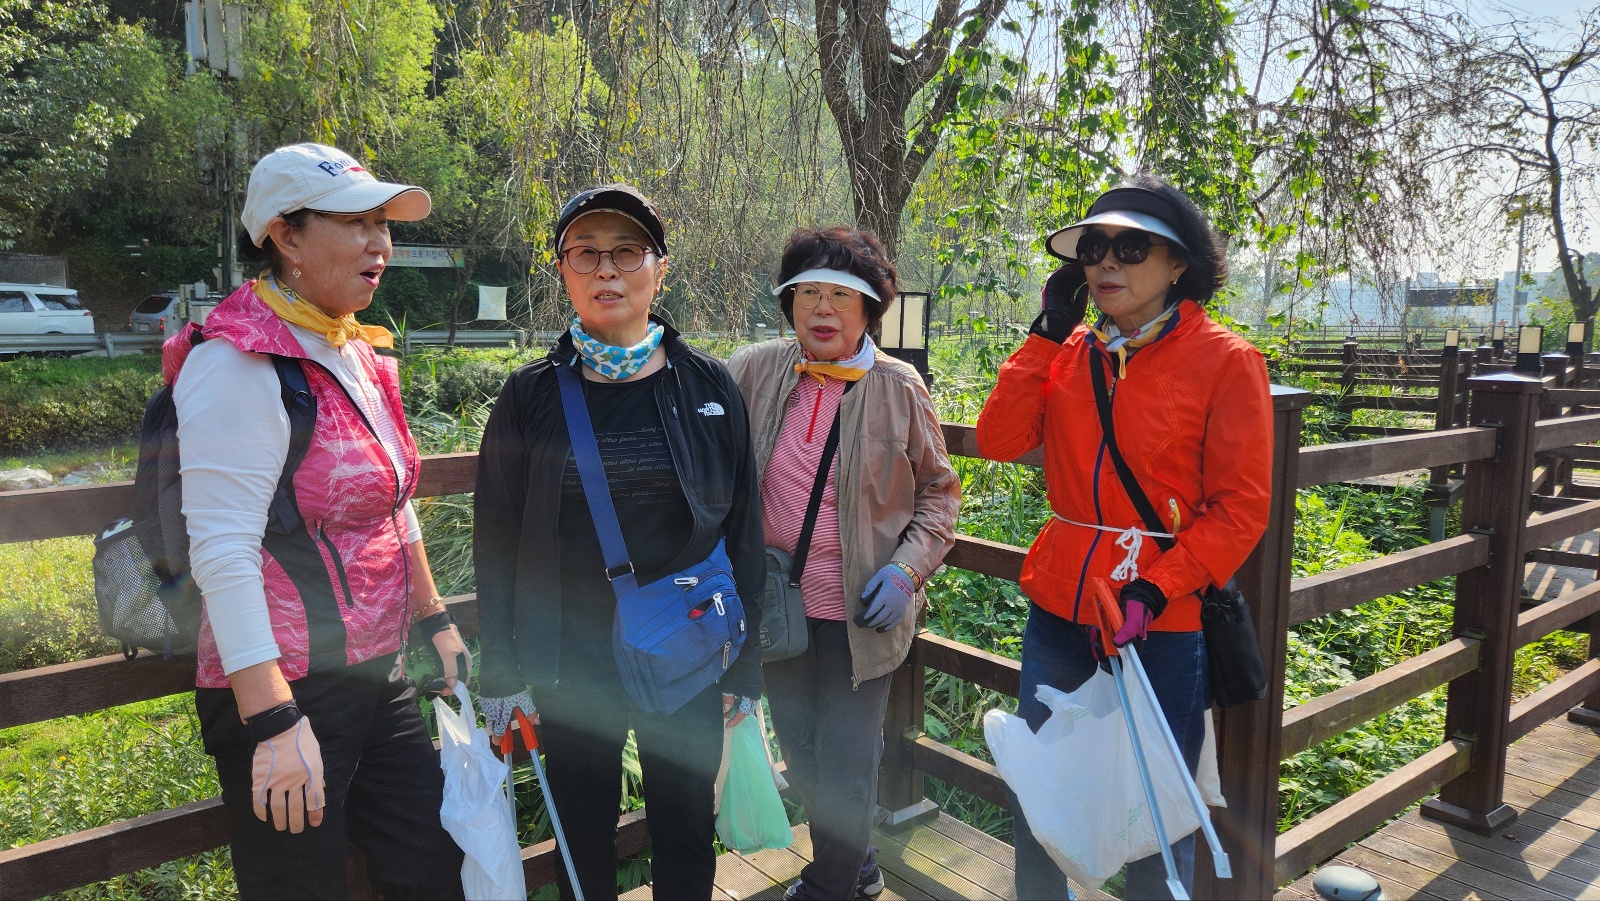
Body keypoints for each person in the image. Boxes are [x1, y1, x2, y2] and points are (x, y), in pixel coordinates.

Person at [173, 142, 470, 899]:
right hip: (285, 683)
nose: (381, 244)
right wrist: (273, 720)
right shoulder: (236, 361)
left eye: (383, 224)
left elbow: (392, 502)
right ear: (286, 236)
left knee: (431, 866)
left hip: (376, 669)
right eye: (356, 222)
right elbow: (223, 549)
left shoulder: (352, 349)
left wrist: (433, 616)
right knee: (299, 887)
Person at [976, 174, 1273, 900]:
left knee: (1158, 802)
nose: (1106, 262)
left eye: (1131, 248)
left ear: (1178, 264)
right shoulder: (1069, 351)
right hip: (1061, 607)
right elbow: (998, 439)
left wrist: (1156, 588)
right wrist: (1045, 333)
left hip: (1159, 620)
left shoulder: (1226, 360)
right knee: (1042, 785)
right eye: (1094, 248)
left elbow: (1240, 507)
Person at [473, 184, 765, 901]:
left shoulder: (709, 386)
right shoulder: (530, 396)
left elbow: (743, 531)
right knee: (581, 831)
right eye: (586, 253)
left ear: (659, 270)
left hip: (687, 644)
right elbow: (497, 536)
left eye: (627, 252)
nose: (606, 270)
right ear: (564, 271)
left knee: (686, 824)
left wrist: (746, 666)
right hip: (571, 654)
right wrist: (503, 667)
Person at [727, 226, 960, 901]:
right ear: (789, 303)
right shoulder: (754, 369)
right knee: (800, 746)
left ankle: (829, 883)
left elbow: (940, 494)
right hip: (780, 609)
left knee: (850, 757)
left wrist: (907, 571)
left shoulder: (898, 386)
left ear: (868, 309)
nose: (822, 309)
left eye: (841, 295)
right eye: (808, 294)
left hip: (862, 614)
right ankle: (856, 860)